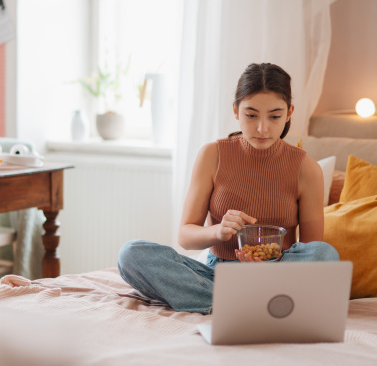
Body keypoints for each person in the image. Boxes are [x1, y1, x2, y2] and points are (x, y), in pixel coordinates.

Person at [117, 63, 339, 314]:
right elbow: (186, 236)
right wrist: (218, 231)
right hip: (218, 274)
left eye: (274, 116)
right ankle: (249, 303)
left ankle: (228, 302)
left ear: (289, 113)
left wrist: (272, 266)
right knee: (131, 254)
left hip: (279, 274)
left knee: (325, 255)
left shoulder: (306, 169)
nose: (262, 128)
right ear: (235, 110)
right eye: (251, 115)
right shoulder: (213, 155)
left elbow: (313, 251)